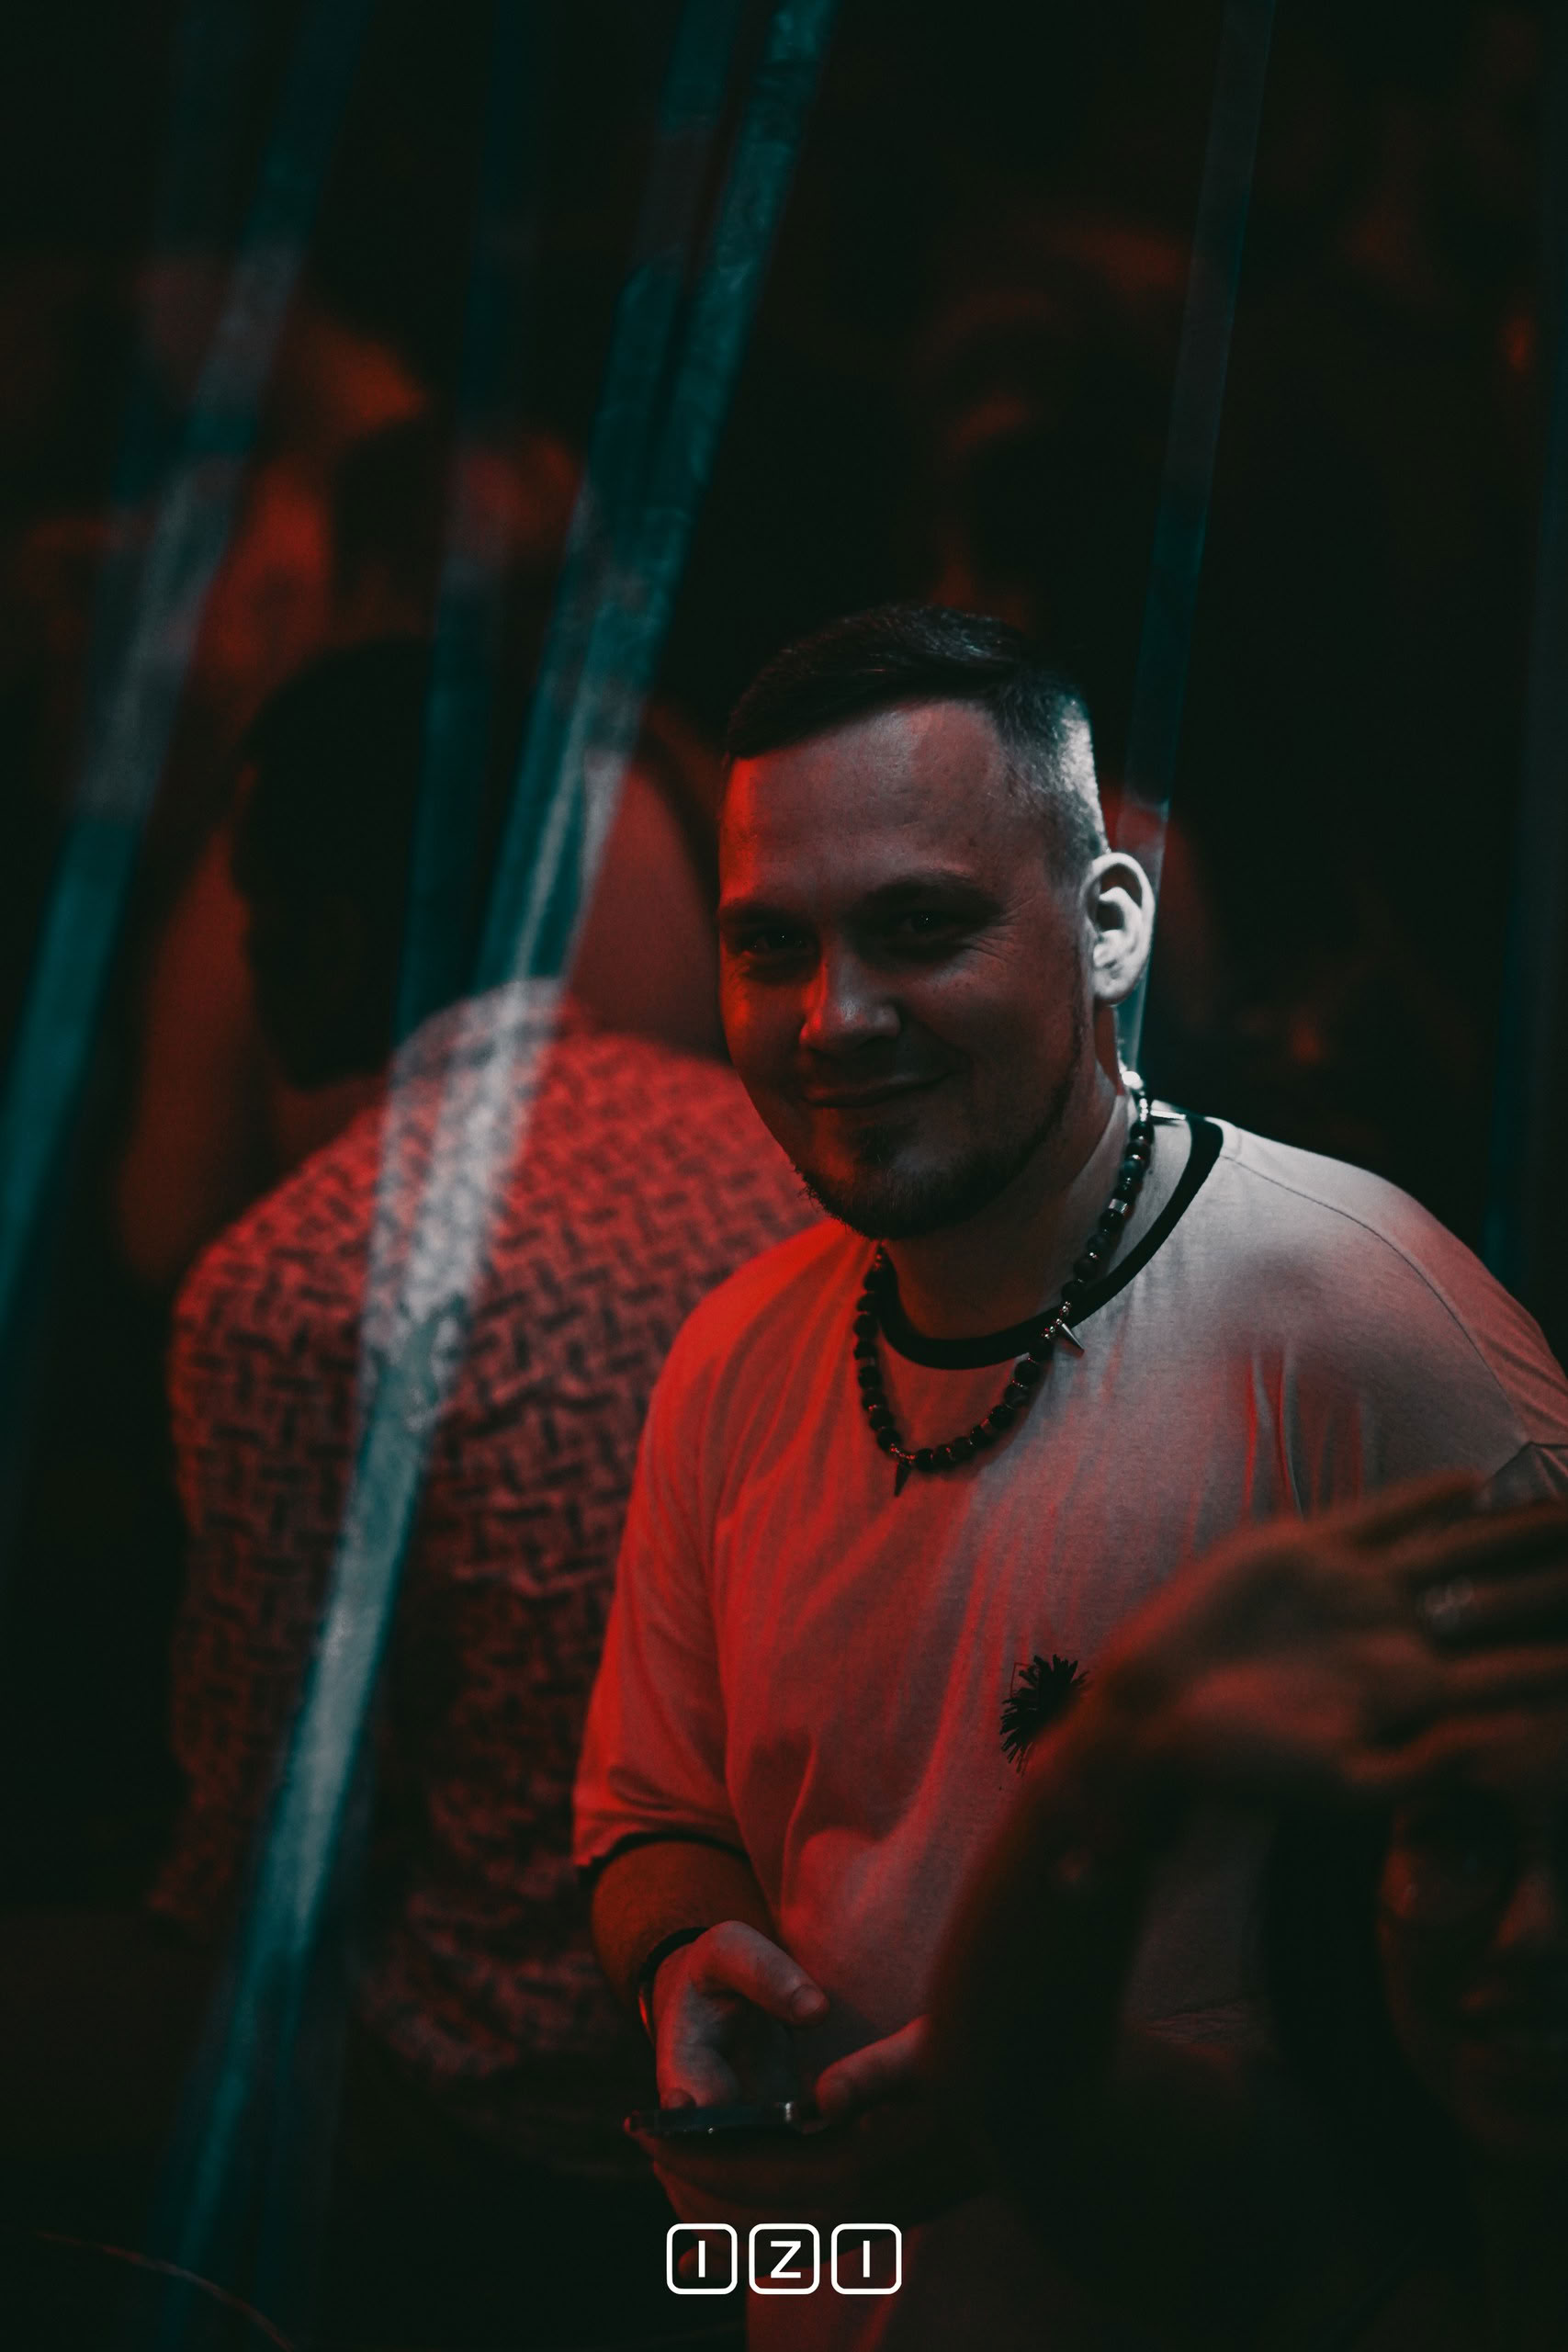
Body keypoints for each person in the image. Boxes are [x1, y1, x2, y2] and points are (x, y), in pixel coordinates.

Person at [570, 603, 1568, 2350]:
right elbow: (653, 1812)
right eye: (771, 946)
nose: (833, 1017)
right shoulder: (731, 1354)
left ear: (1109, 924)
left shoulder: (1363, 1330)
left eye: (918, 927)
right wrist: (682, 1953)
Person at [0, 636, 814, 2348]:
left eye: (254, 906)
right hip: (792, 2041)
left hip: (508, 2101)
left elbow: (266, 1870)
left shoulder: (299, 1281)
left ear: (322, 930)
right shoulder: (770, 1150)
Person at [927, 1473, 1568, 2348]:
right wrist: (1114, 1752)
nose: (1532, 1931)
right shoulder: (1330, 2226)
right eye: (1457, 1842)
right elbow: (1026, 2097)